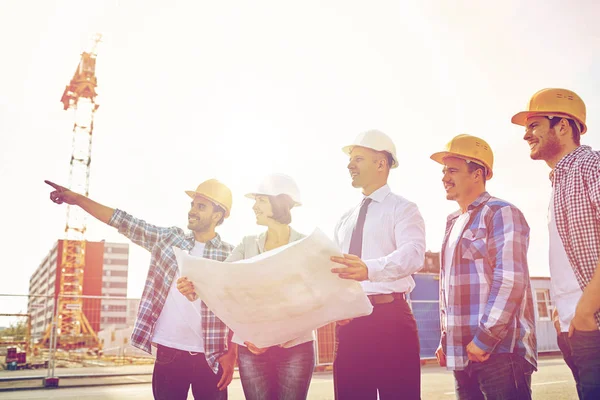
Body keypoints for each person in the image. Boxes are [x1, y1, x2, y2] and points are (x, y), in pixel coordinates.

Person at [45, 179, 237, 400]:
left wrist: (232, 353)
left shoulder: (230, 255)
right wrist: (77, 199)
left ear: (217, 215)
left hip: (211, 357)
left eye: (201, 206)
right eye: (192, 204)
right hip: (169, 352)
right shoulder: (168, 239)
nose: (192, 211)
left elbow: (236, 310)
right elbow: (124, 221)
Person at [178, 174, 315, 400]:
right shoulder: (247, 244)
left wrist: (285, 333)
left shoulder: (306, 245)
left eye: (260, 200)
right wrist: (195, 287)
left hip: (295, 348)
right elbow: (221, 281)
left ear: (279, 202)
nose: (253, 206)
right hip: (252, 347)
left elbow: (316, 297)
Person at [430, 134, 537, 399]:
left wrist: (484, 339)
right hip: (463, 354)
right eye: (444, 171)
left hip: (499, 353)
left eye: (452, 170)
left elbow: (510, 280)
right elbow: (450, 290)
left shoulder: (501, 212)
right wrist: (446, 340)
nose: (444, 177)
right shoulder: (453, 222)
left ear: (477, 174)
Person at [513, 88, 600, 399]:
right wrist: (563, 311)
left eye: (534, 125)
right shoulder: (559, 181)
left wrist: (587, 308)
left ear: (562, 126)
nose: (526, 135)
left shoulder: (591, 165)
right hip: (574, 325)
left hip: (593, 322)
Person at [329, 129, 426, 400]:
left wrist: (369, 269)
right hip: (350, 324)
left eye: (358, 158)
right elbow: (335, 272)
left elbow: (414, 253)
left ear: (381, 164)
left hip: (390, 321)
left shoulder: (404, 209)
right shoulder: (344, 219)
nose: (350, 165)